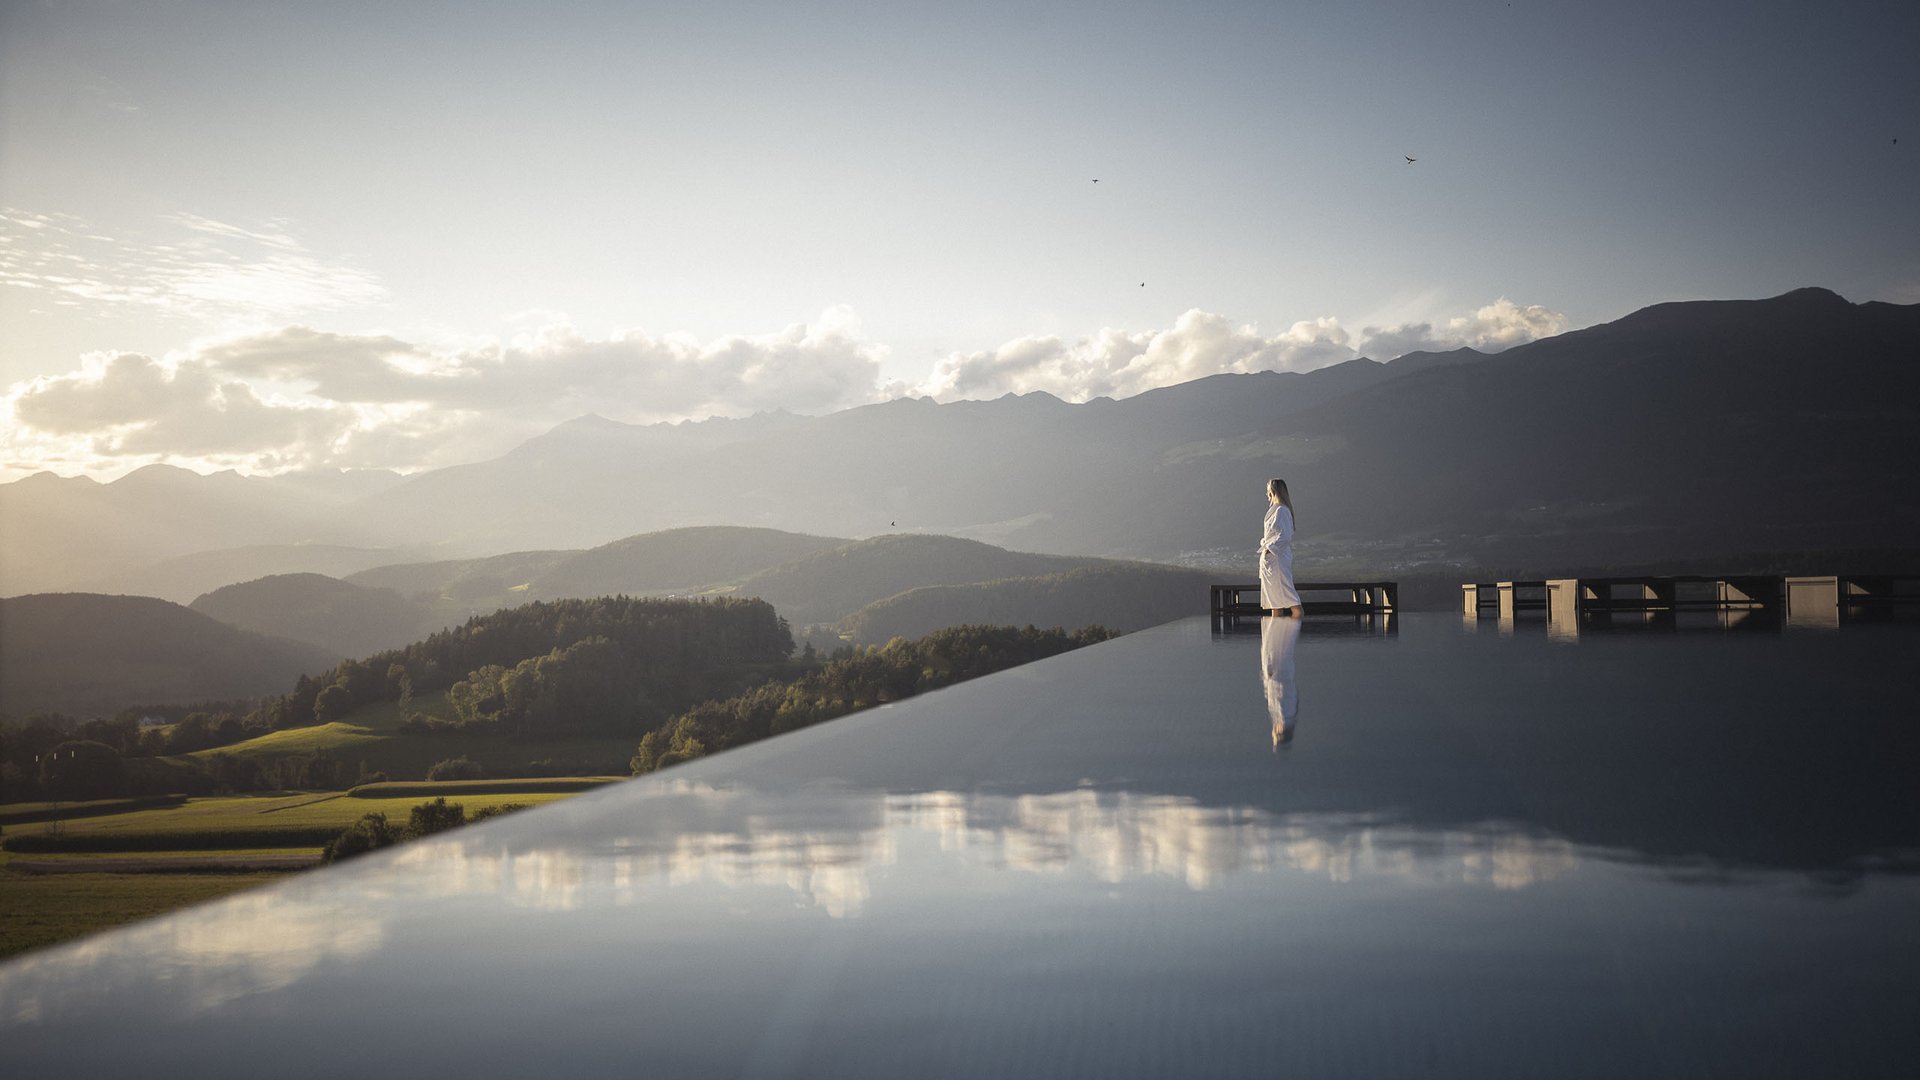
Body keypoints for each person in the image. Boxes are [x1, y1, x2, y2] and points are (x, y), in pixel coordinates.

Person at [1259, 477, 1301, 617]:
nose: (1266, 495)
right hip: (1271, 561)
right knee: (1274, 602)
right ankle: (1276, 636)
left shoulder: (1281, 511)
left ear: (1273, 491)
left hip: (1277, 561)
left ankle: (1293, 633)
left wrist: (1268, 548)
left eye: (1268, 491)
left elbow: (1285, 536)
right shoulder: (1275, 510)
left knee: (1290, 599)